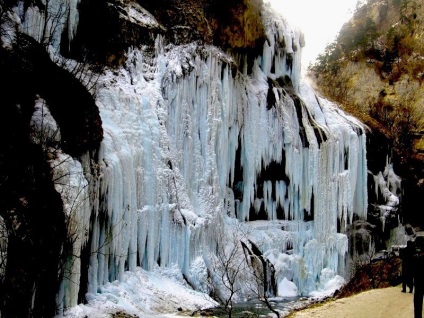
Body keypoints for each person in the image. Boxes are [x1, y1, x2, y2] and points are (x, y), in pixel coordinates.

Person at [413, 235, 424, 318]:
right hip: (418, 282)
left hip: (418, 282)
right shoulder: (416, 257)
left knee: (417, 302)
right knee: (417, 302)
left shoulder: (415, 257)